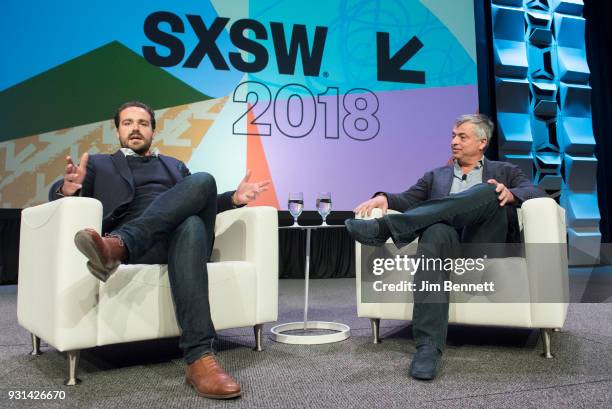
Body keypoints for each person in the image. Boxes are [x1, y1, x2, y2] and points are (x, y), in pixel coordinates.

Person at [49, 101, 270, 399]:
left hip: (176, 245)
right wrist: (66, 189)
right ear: (117, 130)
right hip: (147, 246)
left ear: (153, 130)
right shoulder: (99, 164)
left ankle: (120, 248)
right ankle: (199, 358)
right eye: (128, 123)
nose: (135, 128)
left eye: (142, 123)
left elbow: (198, 200)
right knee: (191, 223)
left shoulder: (175, 166)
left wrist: (233, 199)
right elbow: (60, 195)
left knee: (200, 189)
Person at [345, 114, 546, 381]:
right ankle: (428, 347)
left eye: (462, 136)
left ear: (482, 142)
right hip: (445, 250)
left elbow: (537, 191)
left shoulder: (503, 172)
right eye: (453, 135)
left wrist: (512, 194)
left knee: (488, 191)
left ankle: (387, 229)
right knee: (436, 229)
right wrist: (384, 197)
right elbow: (407, 198)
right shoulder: (435, 176)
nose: (454, 141)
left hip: (484, 247)